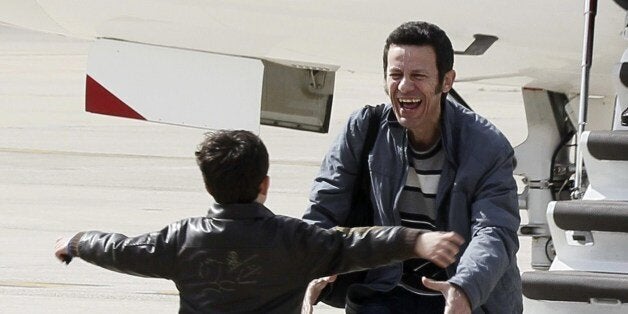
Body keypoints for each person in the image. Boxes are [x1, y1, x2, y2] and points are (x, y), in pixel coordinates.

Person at [54, 129, 464, 314]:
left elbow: (119, 249)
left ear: (208, 184)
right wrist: (414, 241)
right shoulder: (294, 239)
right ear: (264, 183)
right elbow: (356, 245)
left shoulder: (180, 240)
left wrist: (76, 241)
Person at [303, 21, 522, 313]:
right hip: (384, 289)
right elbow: (323, 209)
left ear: (446, 81)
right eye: (396, 75)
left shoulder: (485, 145)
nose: (404, 86)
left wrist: (466, 287)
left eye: (418, 75)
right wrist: (310, 266)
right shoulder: (364, 128)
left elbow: (494, 231)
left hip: (458, 292)